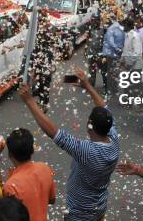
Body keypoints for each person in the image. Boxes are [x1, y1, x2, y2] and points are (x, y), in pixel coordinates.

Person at [18, 68, 119, 221]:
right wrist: (88, 86)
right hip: (99, 205)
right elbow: (105, 109)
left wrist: (30, 101)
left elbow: (55, 134)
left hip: (80, 213)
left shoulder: (87, 151)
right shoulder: (113, 139)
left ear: (89, 124)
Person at [0, 128, 56, 221]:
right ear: (32, 149)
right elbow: (52, 200)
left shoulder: (11, 186)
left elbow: (2, 213)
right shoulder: (45, 168)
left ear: (10, 154)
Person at [101, 13, 125, 94]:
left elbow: (110, 43)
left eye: (106, 20)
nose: (105, 22)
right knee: (115, 71)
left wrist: (117, 49)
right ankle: (115, 88)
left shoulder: (111, 29)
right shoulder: (120, 27)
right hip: (118, 53)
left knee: (111, 72)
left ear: (110, 20)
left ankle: (111, 90)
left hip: (112, 53)